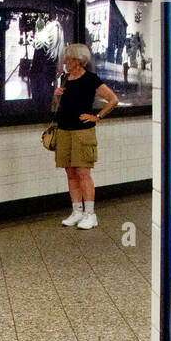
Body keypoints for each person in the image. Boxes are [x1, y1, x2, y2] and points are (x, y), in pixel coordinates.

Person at [53, 43, 119, 230]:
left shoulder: (91, 79)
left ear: (78, 60)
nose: (65, 62)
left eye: (68, 59)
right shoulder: (65, 78)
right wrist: (58, 95)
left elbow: (113, 99)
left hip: (83, 132)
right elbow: (63, 104)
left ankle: (91, 214)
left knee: (83, 173)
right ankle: (77, 211)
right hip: (64, 130)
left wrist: (97, 117)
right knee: (70, 173)